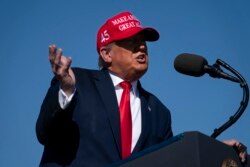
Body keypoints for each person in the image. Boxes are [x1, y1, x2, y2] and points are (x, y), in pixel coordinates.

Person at [36, 11, 247, 167]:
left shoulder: (158, 112)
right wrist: (66, 91)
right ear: (106, 54)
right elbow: (45, 133)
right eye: (131, 42)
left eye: (143, 42)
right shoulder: (76, 82)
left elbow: (171, 160)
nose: (142, 46)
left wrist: (216, 151)